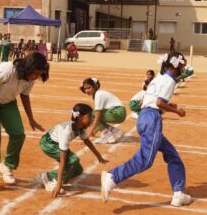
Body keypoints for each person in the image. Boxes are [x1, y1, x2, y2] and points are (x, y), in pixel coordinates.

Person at [101, 52, 192, 207]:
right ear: (174, 65)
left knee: (172, 155)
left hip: (145, 117)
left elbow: (151, 100)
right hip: (152, 119)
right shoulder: (170, 80)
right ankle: (112, 176)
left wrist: (169, 106)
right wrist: (177, 112)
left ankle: (179, 193)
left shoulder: (158, 78)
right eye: (182, 65)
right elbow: (158, 102)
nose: (183, 68)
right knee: (146, 160)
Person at [0, 52, 50, 195]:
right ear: (28, 67)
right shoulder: (7, 70)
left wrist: (31, 119)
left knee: (18, 134)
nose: (36, 77)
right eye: (35, 73)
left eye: (39, 74)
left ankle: (7, 165)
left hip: (8, 102)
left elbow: (25, 95)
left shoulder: (30, 78)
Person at [39, 103, 108, 197]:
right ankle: (48, 178)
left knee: (78, 170)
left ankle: (52, 177)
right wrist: (60, 184)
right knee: (72, 160)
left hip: (55, 143)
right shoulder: (66, 132)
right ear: (80, 117)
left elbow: (87, 141)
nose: (92, 119)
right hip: (48, 144)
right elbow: (62, 161)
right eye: (89, 116)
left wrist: (99, 156)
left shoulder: (80, 127)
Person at [80, 78, 126, 144]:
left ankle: (108, 136)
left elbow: (97, 118)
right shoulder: (98, 94)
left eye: (89, 88)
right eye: (85, 89)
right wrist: (94, 129)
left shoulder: (99, 95)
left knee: (91, 115)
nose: (87, 90)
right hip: (118, 112)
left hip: (118, 113)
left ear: (94, 86)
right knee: (93, 113)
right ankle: (115, 131)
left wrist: (89, 134)